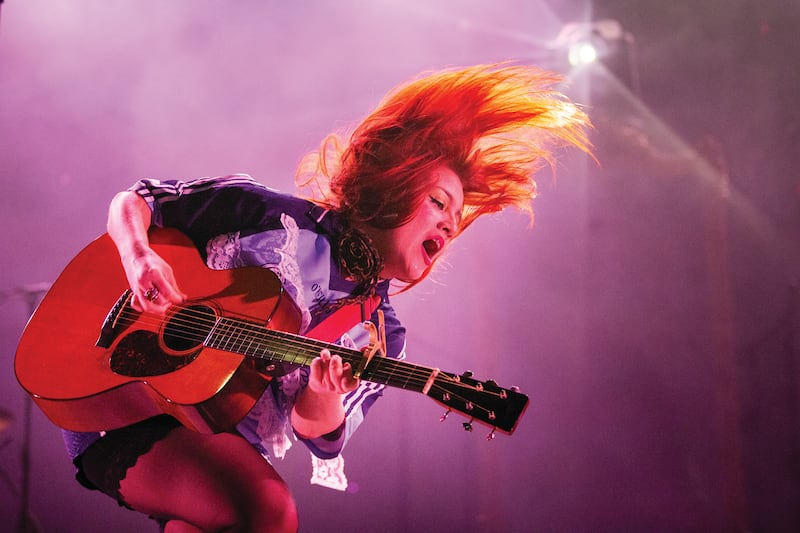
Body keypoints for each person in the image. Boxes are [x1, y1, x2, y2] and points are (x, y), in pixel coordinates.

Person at [61, 63, 591, 532]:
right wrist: (139, 258)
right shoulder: (267, 212)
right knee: (269, 510)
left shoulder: (381, 335)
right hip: (124, 393)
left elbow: (318, 435)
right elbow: (138, 200)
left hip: (217, 447)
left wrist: (323, 393)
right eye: (438, 201)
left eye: (456, 219)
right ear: (395, 182)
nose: (450, 223)